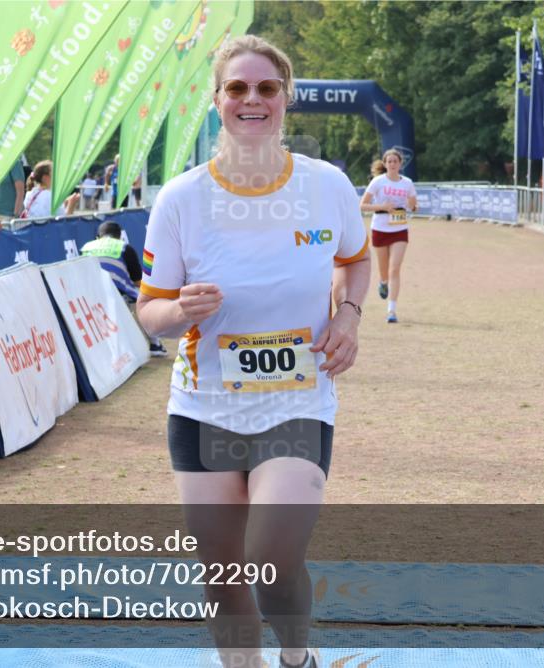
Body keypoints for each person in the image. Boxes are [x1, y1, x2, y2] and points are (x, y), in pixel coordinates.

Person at [136, 35, 369, 668]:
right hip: (204, 406)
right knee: (222, 579)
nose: (252, 99)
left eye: (266, 88)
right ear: (217, 101)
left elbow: (355, 261)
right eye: (237, 88)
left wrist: (348, 316)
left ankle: (299, 659)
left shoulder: (327, 185)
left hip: (297, 402)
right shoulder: (181, 198)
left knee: (271, 561)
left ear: (285, 100)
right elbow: (149, 313)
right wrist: (179, 310)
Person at [81, 221, 167, 357]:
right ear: (120, 237)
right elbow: (138, 281)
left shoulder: (86, 247)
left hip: (88, 295)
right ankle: (155, 344)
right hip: (118, 294)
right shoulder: (124, 247)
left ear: (98, 236)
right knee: (143, 300)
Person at [360, 148, 417, 323]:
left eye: (395, 161)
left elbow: (413, 206)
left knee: (395, 269)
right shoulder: (378, 182)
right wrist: (382, 207)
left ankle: (391, 310)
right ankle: (383, 282)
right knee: (384, 271)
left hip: (399, 229)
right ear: (385, 164)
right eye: (389, 161)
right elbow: (363, 205)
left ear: (400, 164)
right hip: (380, 228)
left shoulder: (407, 183)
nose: (392, 164)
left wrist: (412, 205)